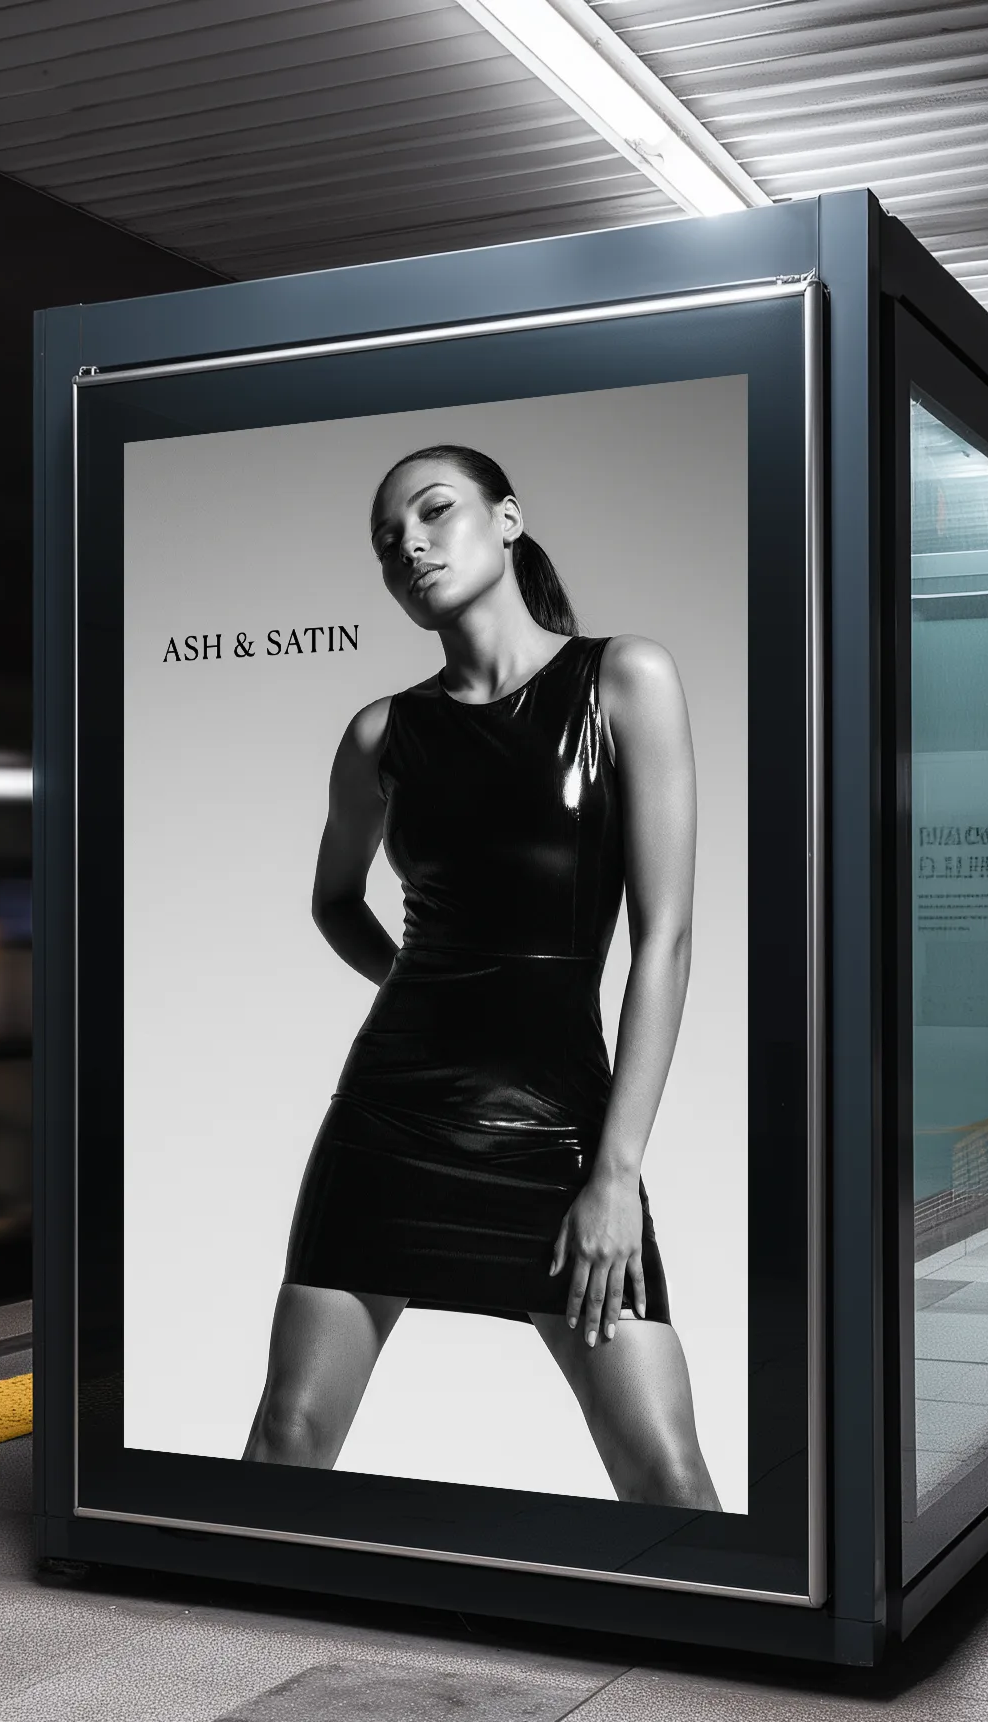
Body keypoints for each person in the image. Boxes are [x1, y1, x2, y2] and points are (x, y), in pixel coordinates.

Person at [242, 443, 720, 1509]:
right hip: (390, 1117)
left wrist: (614, 1171)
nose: (407, 543)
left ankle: (721, 1662)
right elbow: (333, 898)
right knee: (289, 1428)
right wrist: (414, 984)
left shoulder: (625, 677)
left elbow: (668, 939)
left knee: (665, 1464)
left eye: (433, 511)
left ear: (508, 518)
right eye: (385, 537)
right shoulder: (381, 734)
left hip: (562, 1130)